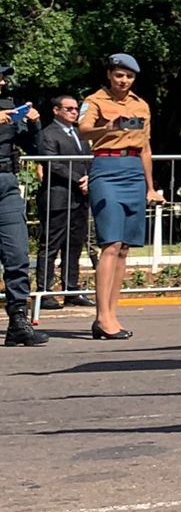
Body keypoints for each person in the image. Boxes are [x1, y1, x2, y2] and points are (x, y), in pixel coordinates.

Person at [77, 53, 163, 341]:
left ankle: (112, 313)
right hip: (106, 167)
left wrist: (150, 188)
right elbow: (83, 130)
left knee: (125, 246)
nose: (123, 81)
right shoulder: (95, 100)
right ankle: (102, 317)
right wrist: (109, 127)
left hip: (133, 170)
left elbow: (146, 148)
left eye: (128, 76)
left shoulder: (141, 105)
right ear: (110, 75)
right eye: (119, 75)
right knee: (110, 243)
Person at [0, 63, 47, 346]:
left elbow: (36, 148)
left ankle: (18, 319)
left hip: (5, 182)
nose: (3, 83)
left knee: (17, 254)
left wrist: (32, 123)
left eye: (3, 78)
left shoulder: (8, 108)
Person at [33, 94, 92, 308]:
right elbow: (53, 163)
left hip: (79, 198)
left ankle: (71, 289)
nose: (74, 112)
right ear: (56, 110)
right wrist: (78, 179)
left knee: (74, 245)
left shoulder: (80, 134)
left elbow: (88, 159)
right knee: (50, 245)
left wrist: (90, 179)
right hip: (57, 197)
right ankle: (45, 291)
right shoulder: (48, 134)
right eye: (69, 109)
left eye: (76, 108)